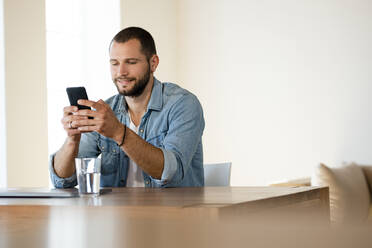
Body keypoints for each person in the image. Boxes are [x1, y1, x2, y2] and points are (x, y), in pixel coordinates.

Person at [49, 27, 205, 188]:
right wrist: (72, 140)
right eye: (114, 63)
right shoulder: (106, 111)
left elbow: (172, 174)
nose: (121, 72)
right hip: (116, 212)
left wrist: (118, 132)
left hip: (172, 212)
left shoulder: (183, 104)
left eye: (131, 62)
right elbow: (63, 181)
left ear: (153, 63)